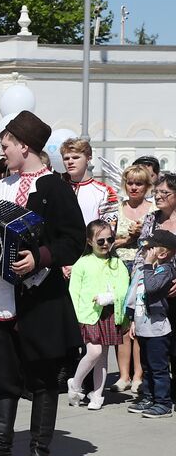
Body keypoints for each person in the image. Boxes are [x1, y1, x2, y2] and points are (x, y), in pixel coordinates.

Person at [0, 112, 85, 456]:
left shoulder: (55, 188)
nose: (3, 151)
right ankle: (0, 446)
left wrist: (40, 256)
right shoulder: (2, 186)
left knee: (43, 375)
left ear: (24, 146)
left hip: (41, 298)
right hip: (3, 295)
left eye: (6, 145)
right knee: (2, 375)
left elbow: (74, 240)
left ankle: (40, 451)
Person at [67, 220, 129, 410]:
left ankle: (97, 394)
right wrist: (77, 316)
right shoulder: (82, 263)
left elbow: (125, 287)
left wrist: (111, 297)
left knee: (102, 357)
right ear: (89, 241)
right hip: (88, 314)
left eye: (109, 240)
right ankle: (75, 384)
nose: (105, 244)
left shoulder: (117, 263)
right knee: (94, 351)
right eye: (100, 241)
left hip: (110, 313)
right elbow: (73, 292)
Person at [124, 230, 175, 418]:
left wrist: (147, 266)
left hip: (157, 330)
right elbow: (135, 296)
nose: (145, 252)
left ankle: (163, 403)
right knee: (146, 367)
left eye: (149, 249)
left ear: (162, 253)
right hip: (143, 326)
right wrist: (133, 321)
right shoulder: (147, 269)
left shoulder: (165, 269)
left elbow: (153, 288)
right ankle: (149, 398)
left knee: (158, 368)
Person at [113, 163, 153, 392]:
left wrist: (142, 236)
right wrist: (127, 238)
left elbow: (159, 240)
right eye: (130, 183)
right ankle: (123, 375)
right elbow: (106, 241)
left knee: (139, 322)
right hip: (119, 267)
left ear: (147, 186)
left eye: (139, 183)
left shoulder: (154, 208)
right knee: (122, 323)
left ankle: (139, 374)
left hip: (143, 268)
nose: (134, 187)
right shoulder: (117, 208)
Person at [61, 137, 119, 226]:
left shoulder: (105, 192)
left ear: (88, 159)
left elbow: (110, 228)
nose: (70, 162)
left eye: (75, 157)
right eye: (66, 158)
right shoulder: (57, 190)